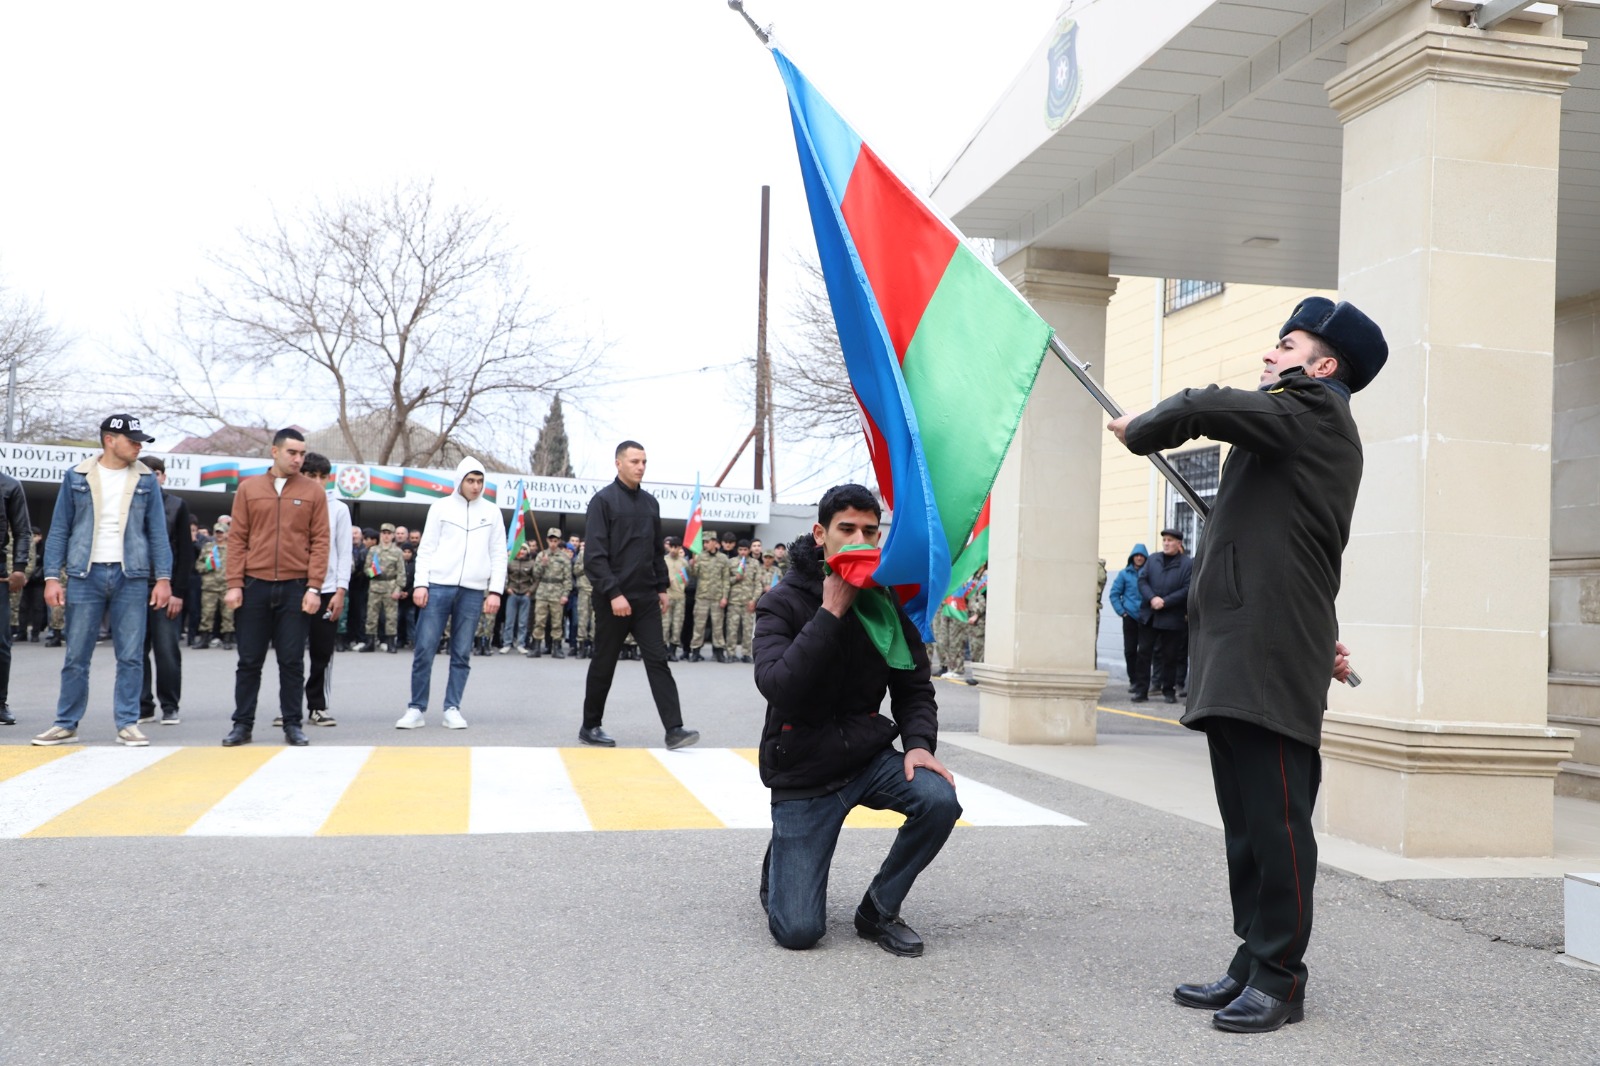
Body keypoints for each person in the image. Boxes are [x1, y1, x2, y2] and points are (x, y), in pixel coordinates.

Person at [1108, 296, 1385, 1033]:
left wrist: (1142, 429)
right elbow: (1281, 547)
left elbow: (1206, 403)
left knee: (1277, 819)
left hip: (1265, 650)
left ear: (1322, 366)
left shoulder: (1313, 411)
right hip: (1247, 643)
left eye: (1285, 344)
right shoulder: (1289, 427)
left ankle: (1281, 977)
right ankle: (1251, 959)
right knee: (1245, 820)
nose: (1270, 354)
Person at [753, 483, 960, 957]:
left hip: (865, 757)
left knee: (939, 799)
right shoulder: (781, 603)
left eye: (871, 531)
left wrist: (920, 746)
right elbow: (779, 686)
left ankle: (878, 910)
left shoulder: (884, 601)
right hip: (803, 766)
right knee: (800, 932)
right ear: (820, 534)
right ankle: (784, 856)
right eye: (847, 529)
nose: (860, 540)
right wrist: (831, 611)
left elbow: (913, 687)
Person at [34, 414, 172, 747]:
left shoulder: (145, 480)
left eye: (141, 442)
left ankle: (127, 723)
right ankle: (66, 722)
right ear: (110, 440)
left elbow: (157, 532)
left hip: (132, 575)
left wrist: (163, 578)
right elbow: (60, 530)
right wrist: (52, 577)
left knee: (131, 655)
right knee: (76, 655)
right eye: (133, 441)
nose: (139, 446)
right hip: (85, 573)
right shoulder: (78, 476)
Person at [577, 440, 698, 749]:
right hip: (613, 599)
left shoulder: (650, 503)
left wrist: (661, 588)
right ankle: (590, 726)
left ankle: (675, 729)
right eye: (634, 461)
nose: (641, 466)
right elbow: (594, 556)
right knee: (604, 662)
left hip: (645, 600)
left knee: (658, 660)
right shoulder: (602, 502)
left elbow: (655, 551)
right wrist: (614, 593)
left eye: (644, 461)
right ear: (618, 463)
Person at [221, 428, 330, 748]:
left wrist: (314, 587)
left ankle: (293, 724)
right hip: (254, 586)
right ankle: (242, 725)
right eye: (292, 453)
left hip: (296, 588)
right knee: (249, 660)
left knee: (292, 660)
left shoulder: (313, 492)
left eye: (301, 454)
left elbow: (320, 542)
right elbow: (237, 538)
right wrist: (234, 584)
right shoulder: (249, 489)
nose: (298, 459)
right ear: (275, 452)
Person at [398, 457, 506, 730]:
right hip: (437, 586)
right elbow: (427, 548)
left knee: (461, 653)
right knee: (424, 648)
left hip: (472, 591)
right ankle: (416, 708)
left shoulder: (492, 512)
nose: (476, 486)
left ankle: (452, 708)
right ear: (459, 481)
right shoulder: (440, 508)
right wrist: (420, 584)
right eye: (471, 480)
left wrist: (495, 590)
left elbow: (498, 555)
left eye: (480, 481)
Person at [138, 456, 194, 727]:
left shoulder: (177, 506)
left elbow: (185, 553)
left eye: (155, 473)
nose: (149, 477)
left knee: (167, 650)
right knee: (135, 651)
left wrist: (178, 592)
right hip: (134, 587)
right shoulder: (129, 502)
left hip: (166, 588)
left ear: (163, 476)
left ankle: (170, 705)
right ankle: (142, 705)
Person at [297, 452, 350, 728]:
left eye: (323, 476)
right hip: (295, 587)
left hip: (328, 590)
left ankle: (317, 705)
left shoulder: (339, 509)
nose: (318, 481)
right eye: (311, 475)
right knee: (291, 652)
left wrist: (341, 591)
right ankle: (289, 706)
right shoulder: (292, 503)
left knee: (322, 651)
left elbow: (344, 553)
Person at [1133, 530, 1192, 705]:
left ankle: (1168, 690)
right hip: (1150, 616)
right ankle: (1141, 690)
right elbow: (1142, 581)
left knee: (1170, 656)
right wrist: (1152, 598)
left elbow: (1187, 588)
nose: (1166, 543)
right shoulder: (1153, 559)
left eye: (1170, 540)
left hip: (1172, 618)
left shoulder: (1187, 564)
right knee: (1143, 654)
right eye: (1164, 540)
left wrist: (1165, 601)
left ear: (1179, 543)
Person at [0, 470, 31, 726]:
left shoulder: (10, 486)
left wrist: (20, 567)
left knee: (1, 642)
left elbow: (22, 530)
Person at [1108, 544, 1148, 692]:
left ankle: (1143, 681)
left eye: (1142, 556)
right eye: (1136, 555)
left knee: (1144, 652)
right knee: (1130, 650)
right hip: (1129, 617)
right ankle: (1133, 680)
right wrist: (1122, 612)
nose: (1139, 558)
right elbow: (1114, 594)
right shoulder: (1124, 574)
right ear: (1132, 558)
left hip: (1145, 617)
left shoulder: (1149, 573)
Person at [362, 523, 406, 653]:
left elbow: (401, 572)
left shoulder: (397, 552)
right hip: (375, 585)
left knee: (391, 617)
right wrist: (372, 572)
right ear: (380, 535)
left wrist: (398, 589)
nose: (386, 536)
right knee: (371, 616)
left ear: (393, 536)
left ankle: (391, 643)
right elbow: (366, 569)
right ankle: (370, 642)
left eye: (389, 534)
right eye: (384, 533)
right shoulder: (373, 550)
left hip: (390, 586)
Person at [529, 528, 571, 658]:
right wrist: (542, 564)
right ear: (547, 540)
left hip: (557, 591)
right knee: (539, 620)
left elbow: (567, 578)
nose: (553, 543)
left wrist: (565, 594)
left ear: (558, 541)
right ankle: (536, 647)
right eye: (551, 540)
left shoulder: (564, 557)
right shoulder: (541, 555)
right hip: (543, 590)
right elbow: (535, 575)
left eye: (555, 540)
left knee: (557, 621)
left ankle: (556, 648)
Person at [688, 532, 727, 662]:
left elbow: (725, 579)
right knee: (699, 625)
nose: (705, 544)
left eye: (707, 542)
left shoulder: (723, 558)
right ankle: (695, 651)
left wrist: (724, 597)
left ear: (715, 542)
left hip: (717, 597)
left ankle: (719, 652)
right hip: (702, 597)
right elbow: (694, 574)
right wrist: (692, 565)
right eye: (704, 542)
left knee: (717, 626)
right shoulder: (699, 556)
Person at [196, 523, 235, 648]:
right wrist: (207, 567)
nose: (219, 535)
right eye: (217, 532)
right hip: (210, 586)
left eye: (222, 532)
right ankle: (204, 639)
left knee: (228, 615)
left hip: (226, 586)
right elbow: (198, 565)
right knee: (207, 614)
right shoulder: (208, 547)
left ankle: (227, 640)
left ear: (227, 533)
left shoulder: (232, 548)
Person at [724, 538, 758, 663]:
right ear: (737, 550)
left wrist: (753, 600)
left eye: (745, 549)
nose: (743, 552)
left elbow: (758, 583)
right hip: (734, 601)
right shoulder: (731, 562)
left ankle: (746, 653)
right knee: (732, 628)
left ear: (749, 550)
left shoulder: (755, 564)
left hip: (748, 601)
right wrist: (735, 579)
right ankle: (731, 653)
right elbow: (725, 581)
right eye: (740, 549)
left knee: (747, 629)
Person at [504, 542, 537, 654]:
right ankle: (507, 643)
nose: (521, 552)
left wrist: (530, 591)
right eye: (519, 549)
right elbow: (503, 577)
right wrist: (507, 588)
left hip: (525, 594)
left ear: (527, 551)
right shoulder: (510, 562)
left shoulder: (532, 563)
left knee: (523, 622)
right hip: (512, 593)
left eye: (524, 549)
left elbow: (536, 579)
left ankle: (521, 644)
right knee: (509, 621)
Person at [663, 537, 689, 662]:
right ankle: (663, 651)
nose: (673, 550)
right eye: (671, 547)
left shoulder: (684, 562)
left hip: (679, 597)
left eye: (676, 547)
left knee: (677, 625)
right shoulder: (663, 560)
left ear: (680, 548)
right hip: (666, 597)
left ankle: (672, 651)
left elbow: (687, 580)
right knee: (665, 625)